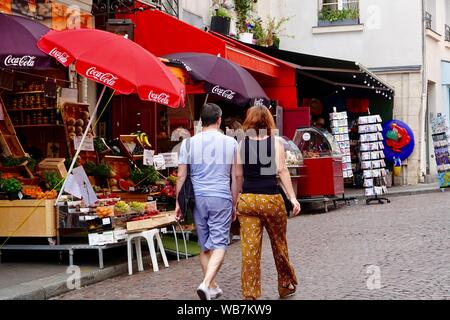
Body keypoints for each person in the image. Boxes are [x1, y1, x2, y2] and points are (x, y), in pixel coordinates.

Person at [235, 105, 301, 300]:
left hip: (247, 200)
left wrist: (236, 199)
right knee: (279, 244)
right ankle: (285, 284)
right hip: (271, 199)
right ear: (269, 121)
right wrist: (292, 198)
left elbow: (238, 176)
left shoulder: (241, 144)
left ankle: (250, 295)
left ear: (249, 121)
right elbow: (282, 171)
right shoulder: (275, 143)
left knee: (249, 250)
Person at [175, 103, 240, 300]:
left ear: (201, 120)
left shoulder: (187, 143)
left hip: (198, 198)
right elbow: (236, 176)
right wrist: (234, 201)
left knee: (204, 245)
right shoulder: (231, 143)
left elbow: (181, 176)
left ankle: (211, 285)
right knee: (219, 243)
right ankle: (205, 283)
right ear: (219, 120)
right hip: (220, 197)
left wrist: (178, 203)